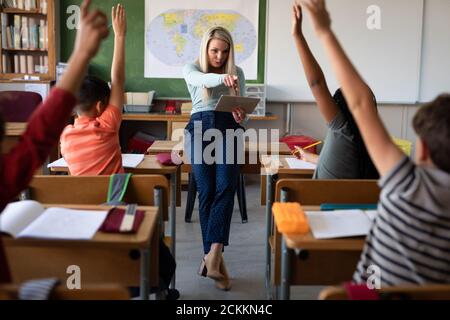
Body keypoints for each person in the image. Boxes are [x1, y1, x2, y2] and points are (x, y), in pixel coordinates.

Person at [301, 0, 450, 285]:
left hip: (367, 295)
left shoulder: (407, 184)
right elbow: (361, 104)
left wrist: (323, 30)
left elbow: (358, 104)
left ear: (425, 149)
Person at [0, 0, 109, 283]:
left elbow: (42, 132)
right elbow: (38, 134)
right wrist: (82, 53)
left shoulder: (66, 135)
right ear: (100, 106)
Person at [183, 26, 247, 291]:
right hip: (200, 126)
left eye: (224, 51)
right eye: (214, 50)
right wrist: (223, 80)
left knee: (226, 187)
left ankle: (213, 256)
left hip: (229, 129)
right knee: (206, 190)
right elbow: (204, 81)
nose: (219, 56)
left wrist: (242, 115)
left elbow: (242, 109)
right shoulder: (192, 69)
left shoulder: (238, 73)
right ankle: (214, 261)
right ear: (206, 49)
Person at [291, 2, 378, 179]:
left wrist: (298, 35)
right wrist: (309, 157)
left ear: (338, 108)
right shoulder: (376, 147)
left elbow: (317, 83)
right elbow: (338, 162)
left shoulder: (343, 130)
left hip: (321, 206)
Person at [60, 4, 127, 176]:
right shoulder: (107, 125)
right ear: (99, 106)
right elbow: (117, 81)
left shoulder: (65, 136)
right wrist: (120, 36)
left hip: (82, 201)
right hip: (113, 201)